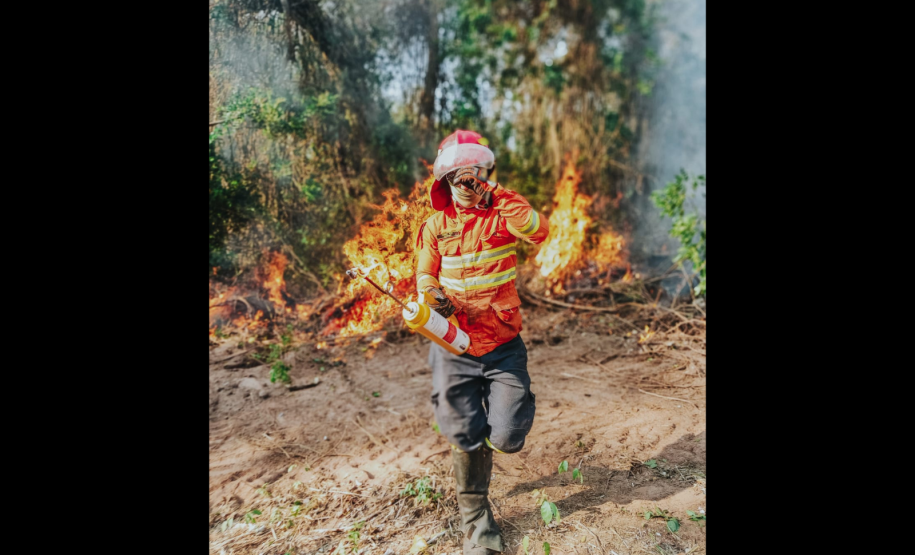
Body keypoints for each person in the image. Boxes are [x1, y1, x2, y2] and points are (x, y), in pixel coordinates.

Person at [414, 130, 550, 554]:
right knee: (463, 432)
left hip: (502, 343)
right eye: (458, 177)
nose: (466, 184)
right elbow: (424, 274)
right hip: (454, 344)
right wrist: (431, 292)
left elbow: (538, 230)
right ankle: (479, 527)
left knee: (507, 434)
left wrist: (495, 192)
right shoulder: (436, 225)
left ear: (483, 175)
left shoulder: (503, 214)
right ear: (446, 181)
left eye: (473, 176)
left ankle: (496, 432)